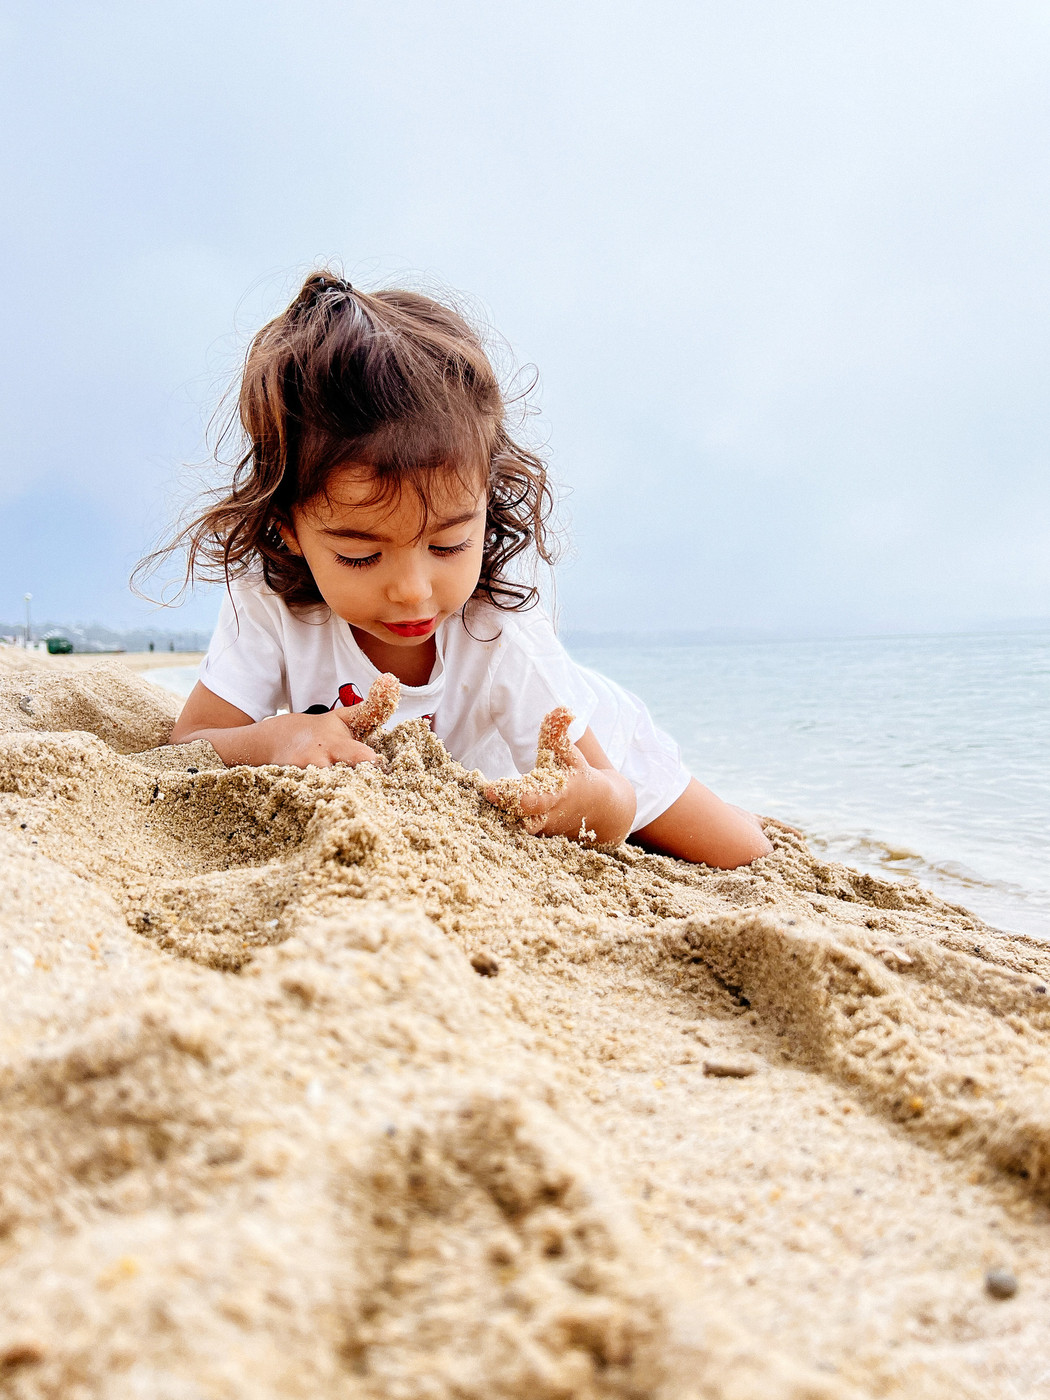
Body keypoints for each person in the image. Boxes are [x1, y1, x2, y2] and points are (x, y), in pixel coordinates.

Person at [148, 271, 771, 868]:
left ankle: (749, 811)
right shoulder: (268, 605)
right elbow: (190, 745)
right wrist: (274, 739)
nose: (413, 591)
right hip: (486, 769)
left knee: (742, 851)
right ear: (290, 530)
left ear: (485, 503)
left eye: (447, 545)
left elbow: (612, 795)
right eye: (360, 555)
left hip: (595, 739)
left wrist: (602, 809)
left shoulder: (498, 632)